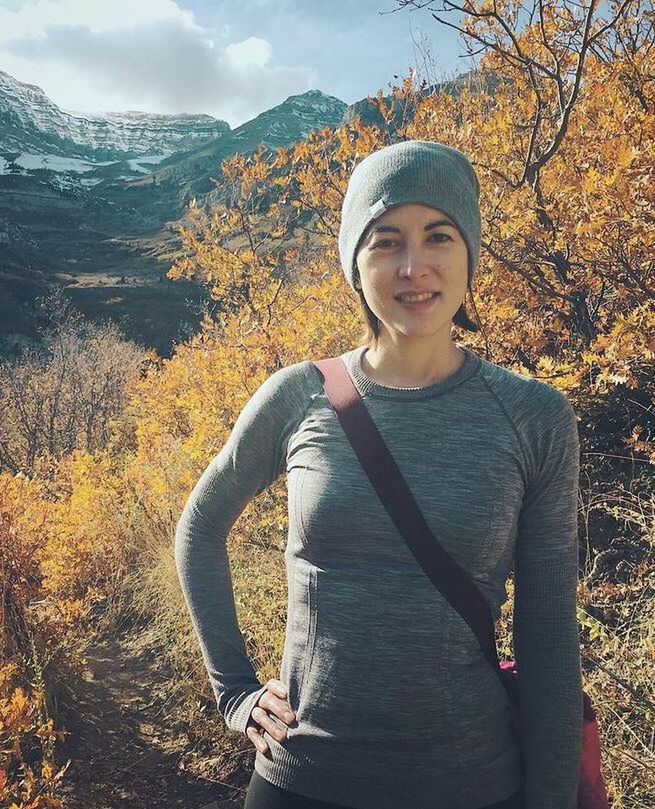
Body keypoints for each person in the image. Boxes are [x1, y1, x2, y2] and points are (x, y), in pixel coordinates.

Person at [175, 140, 583, 809]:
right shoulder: (295, 396)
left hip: (472, 783)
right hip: (301, 779)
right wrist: (236, 692)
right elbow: (198, 527)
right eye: (386, 240)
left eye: (439, 236)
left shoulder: (534, 416)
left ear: (469, 254)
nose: (413, 265)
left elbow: (548, 636)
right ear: (355, 265)